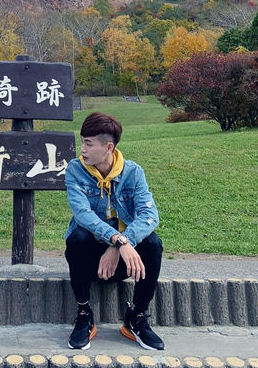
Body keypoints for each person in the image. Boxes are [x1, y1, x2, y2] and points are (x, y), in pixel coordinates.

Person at [64, 111, 164, 351]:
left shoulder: (133, 172)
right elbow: (83, 215)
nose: (82, 149)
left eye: (88, 143)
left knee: (153, 244)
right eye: (82, 142)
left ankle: (136, 317)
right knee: (77, 237)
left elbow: (150, 216)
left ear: (108, 147)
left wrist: (122, 243)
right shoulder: (75, 170)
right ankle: (84, 312)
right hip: (89, 261)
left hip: (123, 261)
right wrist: (116, 239)